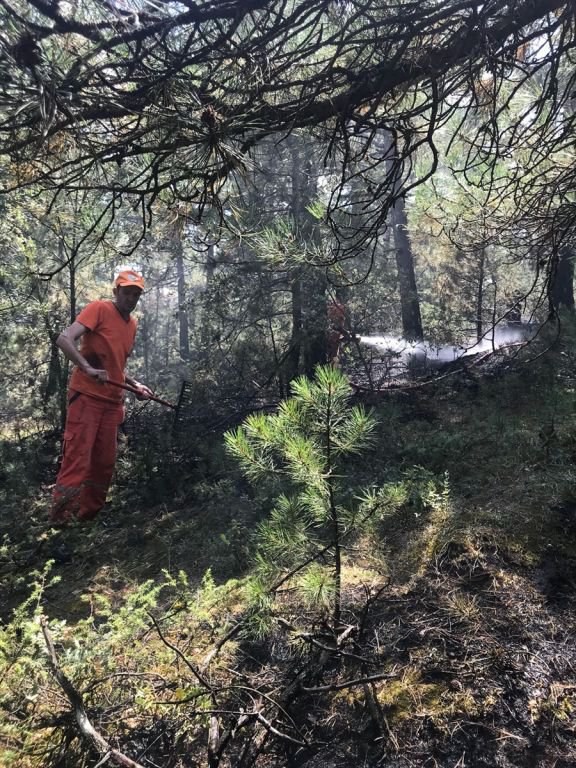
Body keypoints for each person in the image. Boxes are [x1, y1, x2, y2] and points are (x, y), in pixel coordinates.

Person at [50, 270, 153, 523]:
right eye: (127, 292)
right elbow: (64, 339)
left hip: (111, 403)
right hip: (86, 397)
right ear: (116, 291)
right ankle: (60, 525)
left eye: (136, 294)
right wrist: (87, 367)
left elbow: (116, 367)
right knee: (76, 461)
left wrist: (136, 384)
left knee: (103, 466)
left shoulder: (132, 324)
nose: (131, 298)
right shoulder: (98, 309)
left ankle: (86, 519)